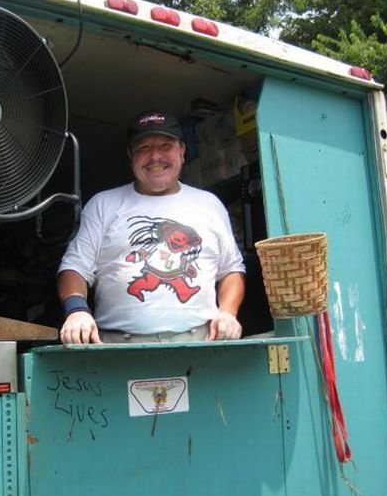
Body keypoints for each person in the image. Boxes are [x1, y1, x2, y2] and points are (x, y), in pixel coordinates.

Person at [58, 111, 246, 344]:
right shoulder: (103, 204)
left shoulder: (210, 204)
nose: (155, 156)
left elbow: (231, 269)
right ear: (131, 155)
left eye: (165, 145)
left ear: (182, 151)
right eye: (144, 148)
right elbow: (74, 267)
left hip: (200, 342)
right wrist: (77, 311)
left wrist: (228, 312)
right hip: (117, 347)